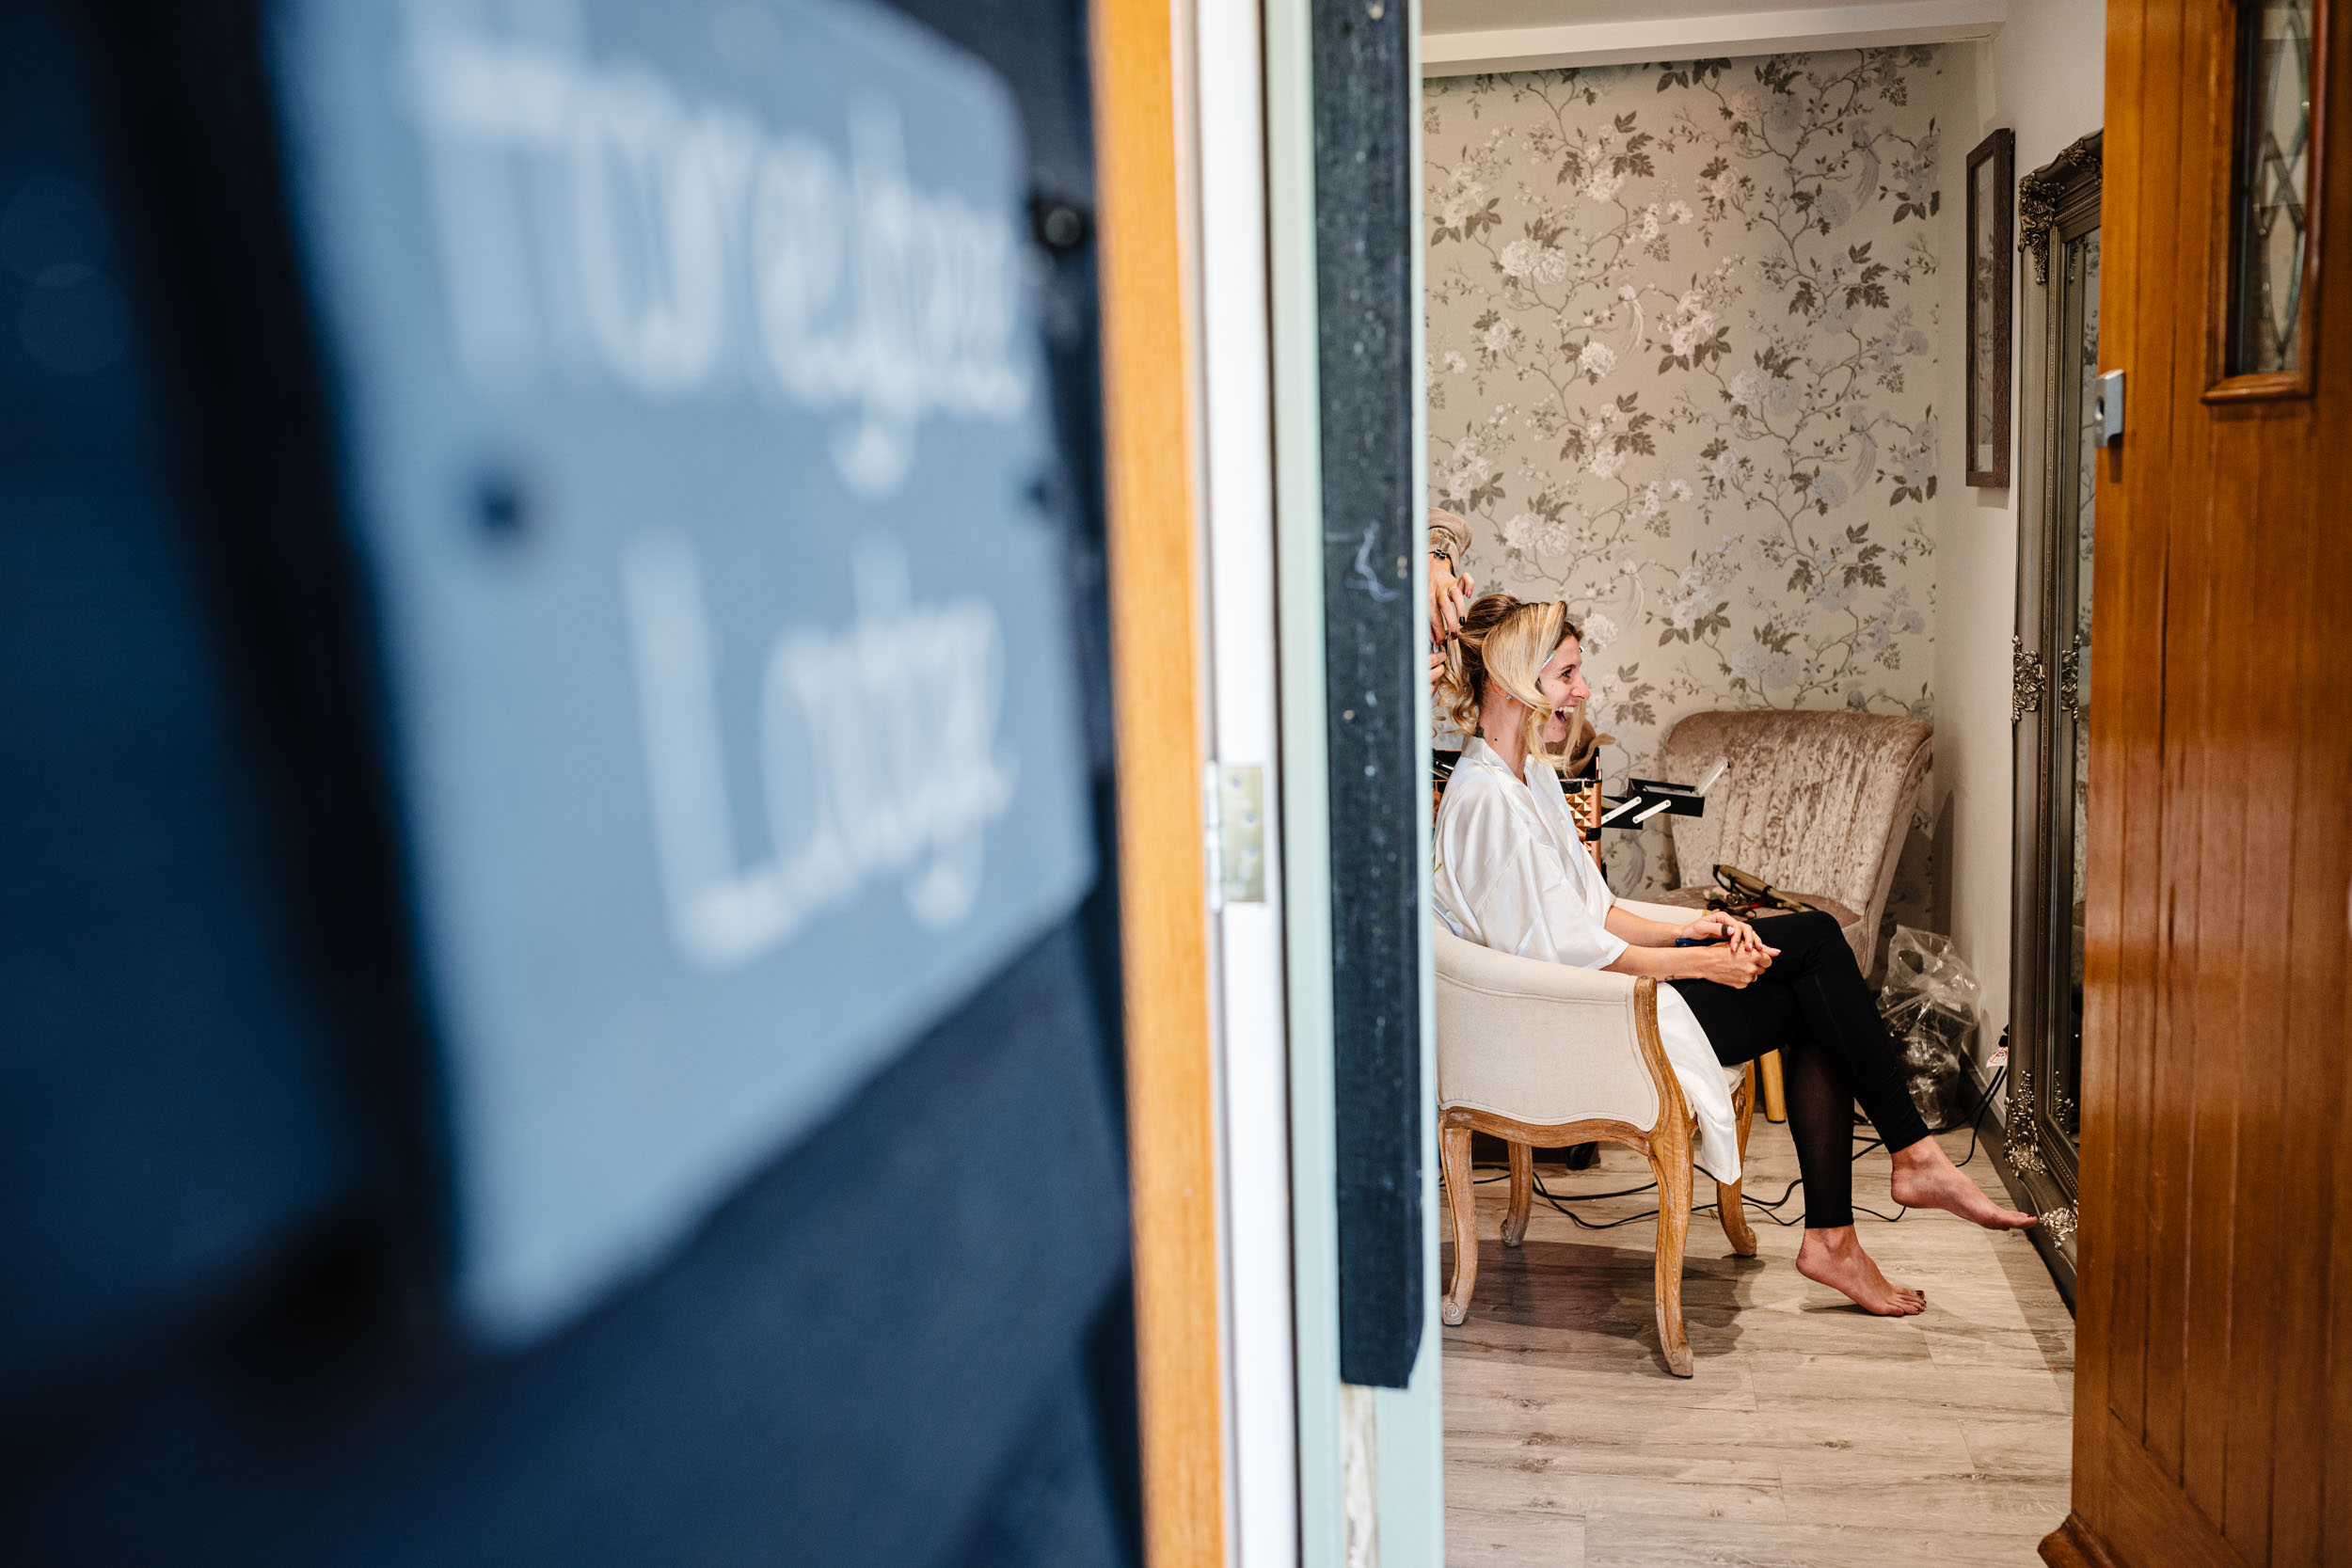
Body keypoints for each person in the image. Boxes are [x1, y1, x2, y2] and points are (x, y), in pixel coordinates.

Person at [1431, 594, 2035, 1316]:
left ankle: (1863, 1209)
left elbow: (1597, 912)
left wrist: (1700, 928)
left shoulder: (1527, 776)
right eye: (1566, 675)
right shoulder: (1487, 804)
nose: (1583, 690)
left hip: (1603, 999)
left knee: (1814, 954)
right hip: (1580, 1025)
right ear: (1510, 682)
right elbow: (1561, 964)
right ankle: (1886, 1183)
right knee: (1817, 966)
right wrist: (1702, 963)